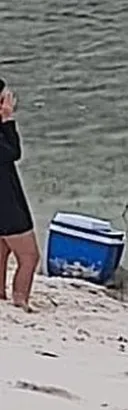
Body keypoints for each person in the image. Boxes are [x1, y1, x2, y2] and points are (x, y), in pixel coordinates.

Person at [0, 80, 40, 310]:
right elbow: (13, 152)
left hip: (5, 200)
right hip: (7, 204)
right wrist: (7, 119)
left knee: (2, 251)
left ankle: (2, 297)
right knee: (29, 257)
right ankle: (20, 299)